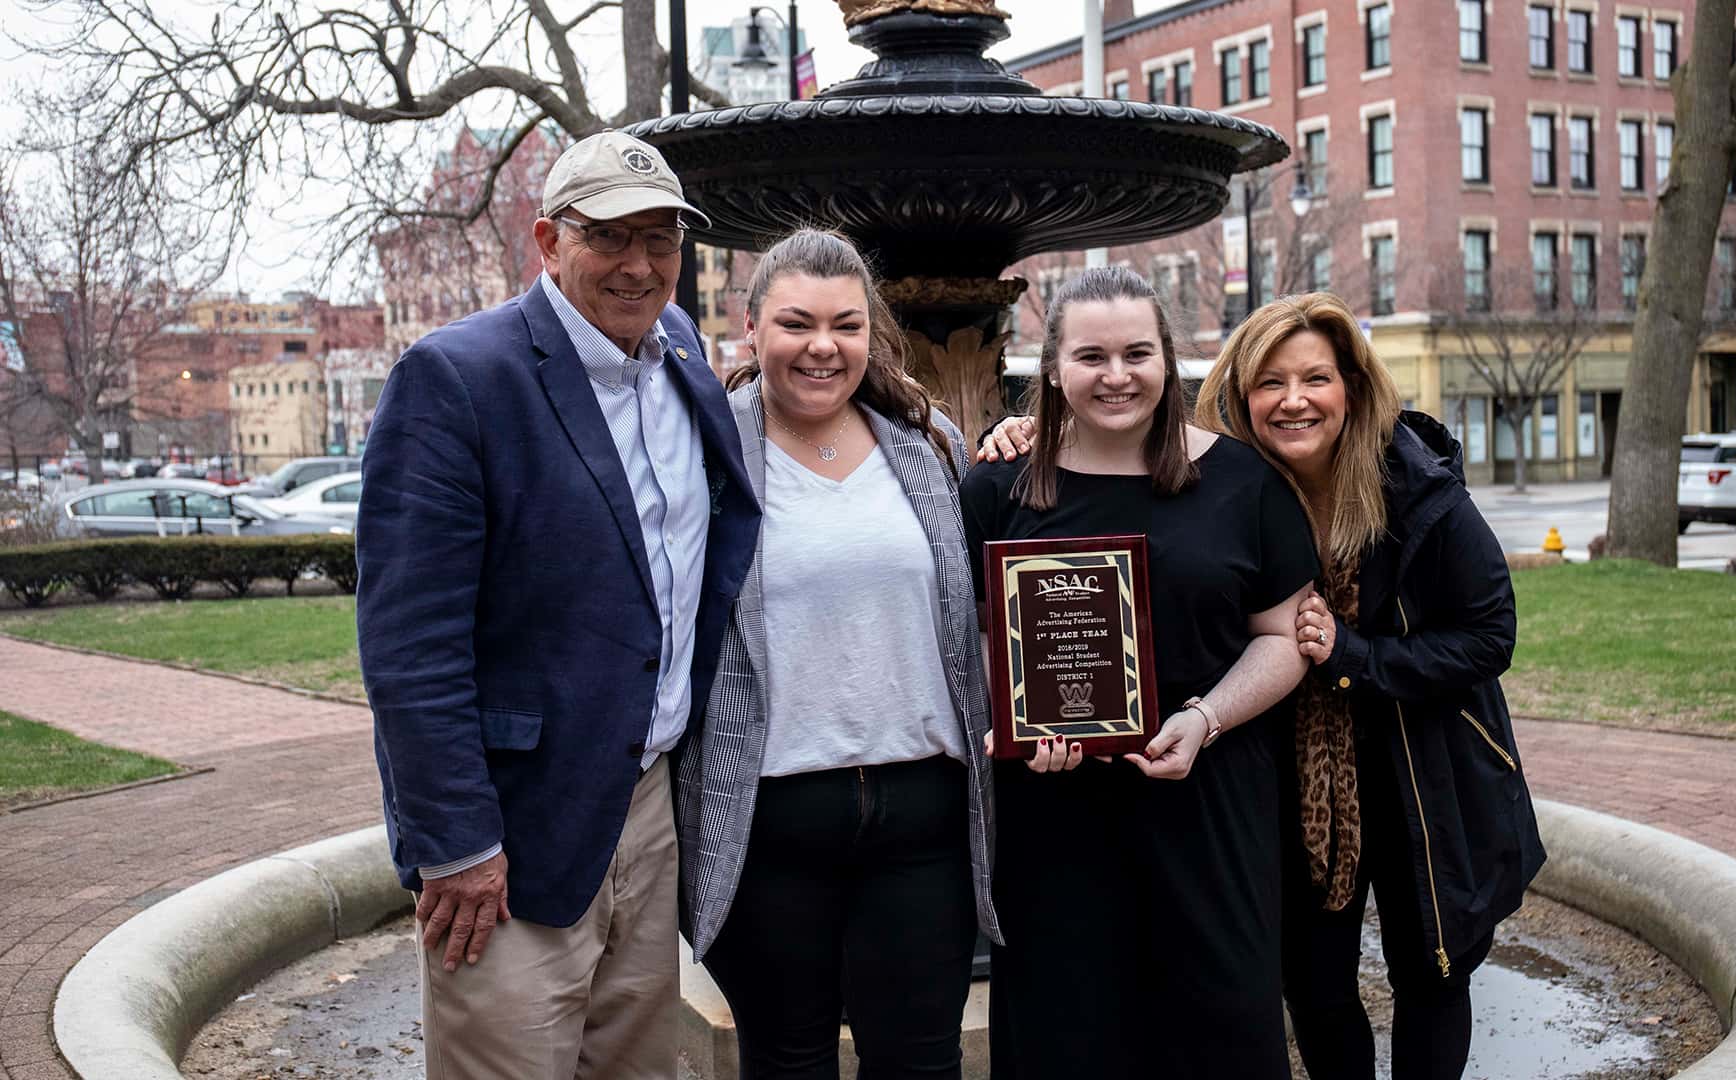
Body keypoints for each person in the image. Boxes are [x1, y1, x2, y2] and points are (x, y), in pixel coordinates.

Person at [982, 290, 1546, 1078]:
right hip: (1270, 767)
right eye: (1270, 383)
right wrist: (1016, 718)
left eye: (1315, 378)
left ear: (1351, 384)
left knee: (1429, 966)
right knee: (1313, 983)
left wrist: (1349, 657)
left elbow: (1488, 634)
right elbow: (979, 632)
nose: (1294, 400)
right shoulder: (1210, 472)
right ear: (1238, 394)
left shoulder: (1407, 488)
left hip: (1408, 759)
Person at [355, 131, 760, 1080]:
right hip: (516, 831)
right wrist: (456, 843)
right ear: (547, 239)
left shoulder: (682, 354)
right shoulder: (456, 379)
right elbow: (410, 646)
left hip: (653, 803)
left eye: (661, 239)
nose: (639, 263)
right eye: (609, 236)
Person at [959, 267, 1317, 1080]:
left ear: (1168, 361)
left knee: (1221, 1032)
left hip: (1209, 808)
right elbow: (975, 639)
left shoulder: (1242, 482)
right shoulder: (996, 486)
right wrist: (1016, 722)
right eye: (1091, 356)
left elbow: (1282, 636)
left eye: (1136, 354)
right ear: (1052, 367)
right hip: (1056, 820)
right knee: (1069, 1037)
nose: (1116, 376)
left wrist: (1207, 717)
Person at [678, 228, 999, 1079]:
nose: (823, 346)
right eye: (796, 323)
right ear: (752, 330)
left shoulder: (930, 445)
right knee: (787, 1062)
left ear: (872, 334)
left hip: (922, 818)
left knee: (922, 1062)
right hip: (770, 817)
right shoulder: (705, 450)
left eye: (846, 326)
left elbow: (985, 596)